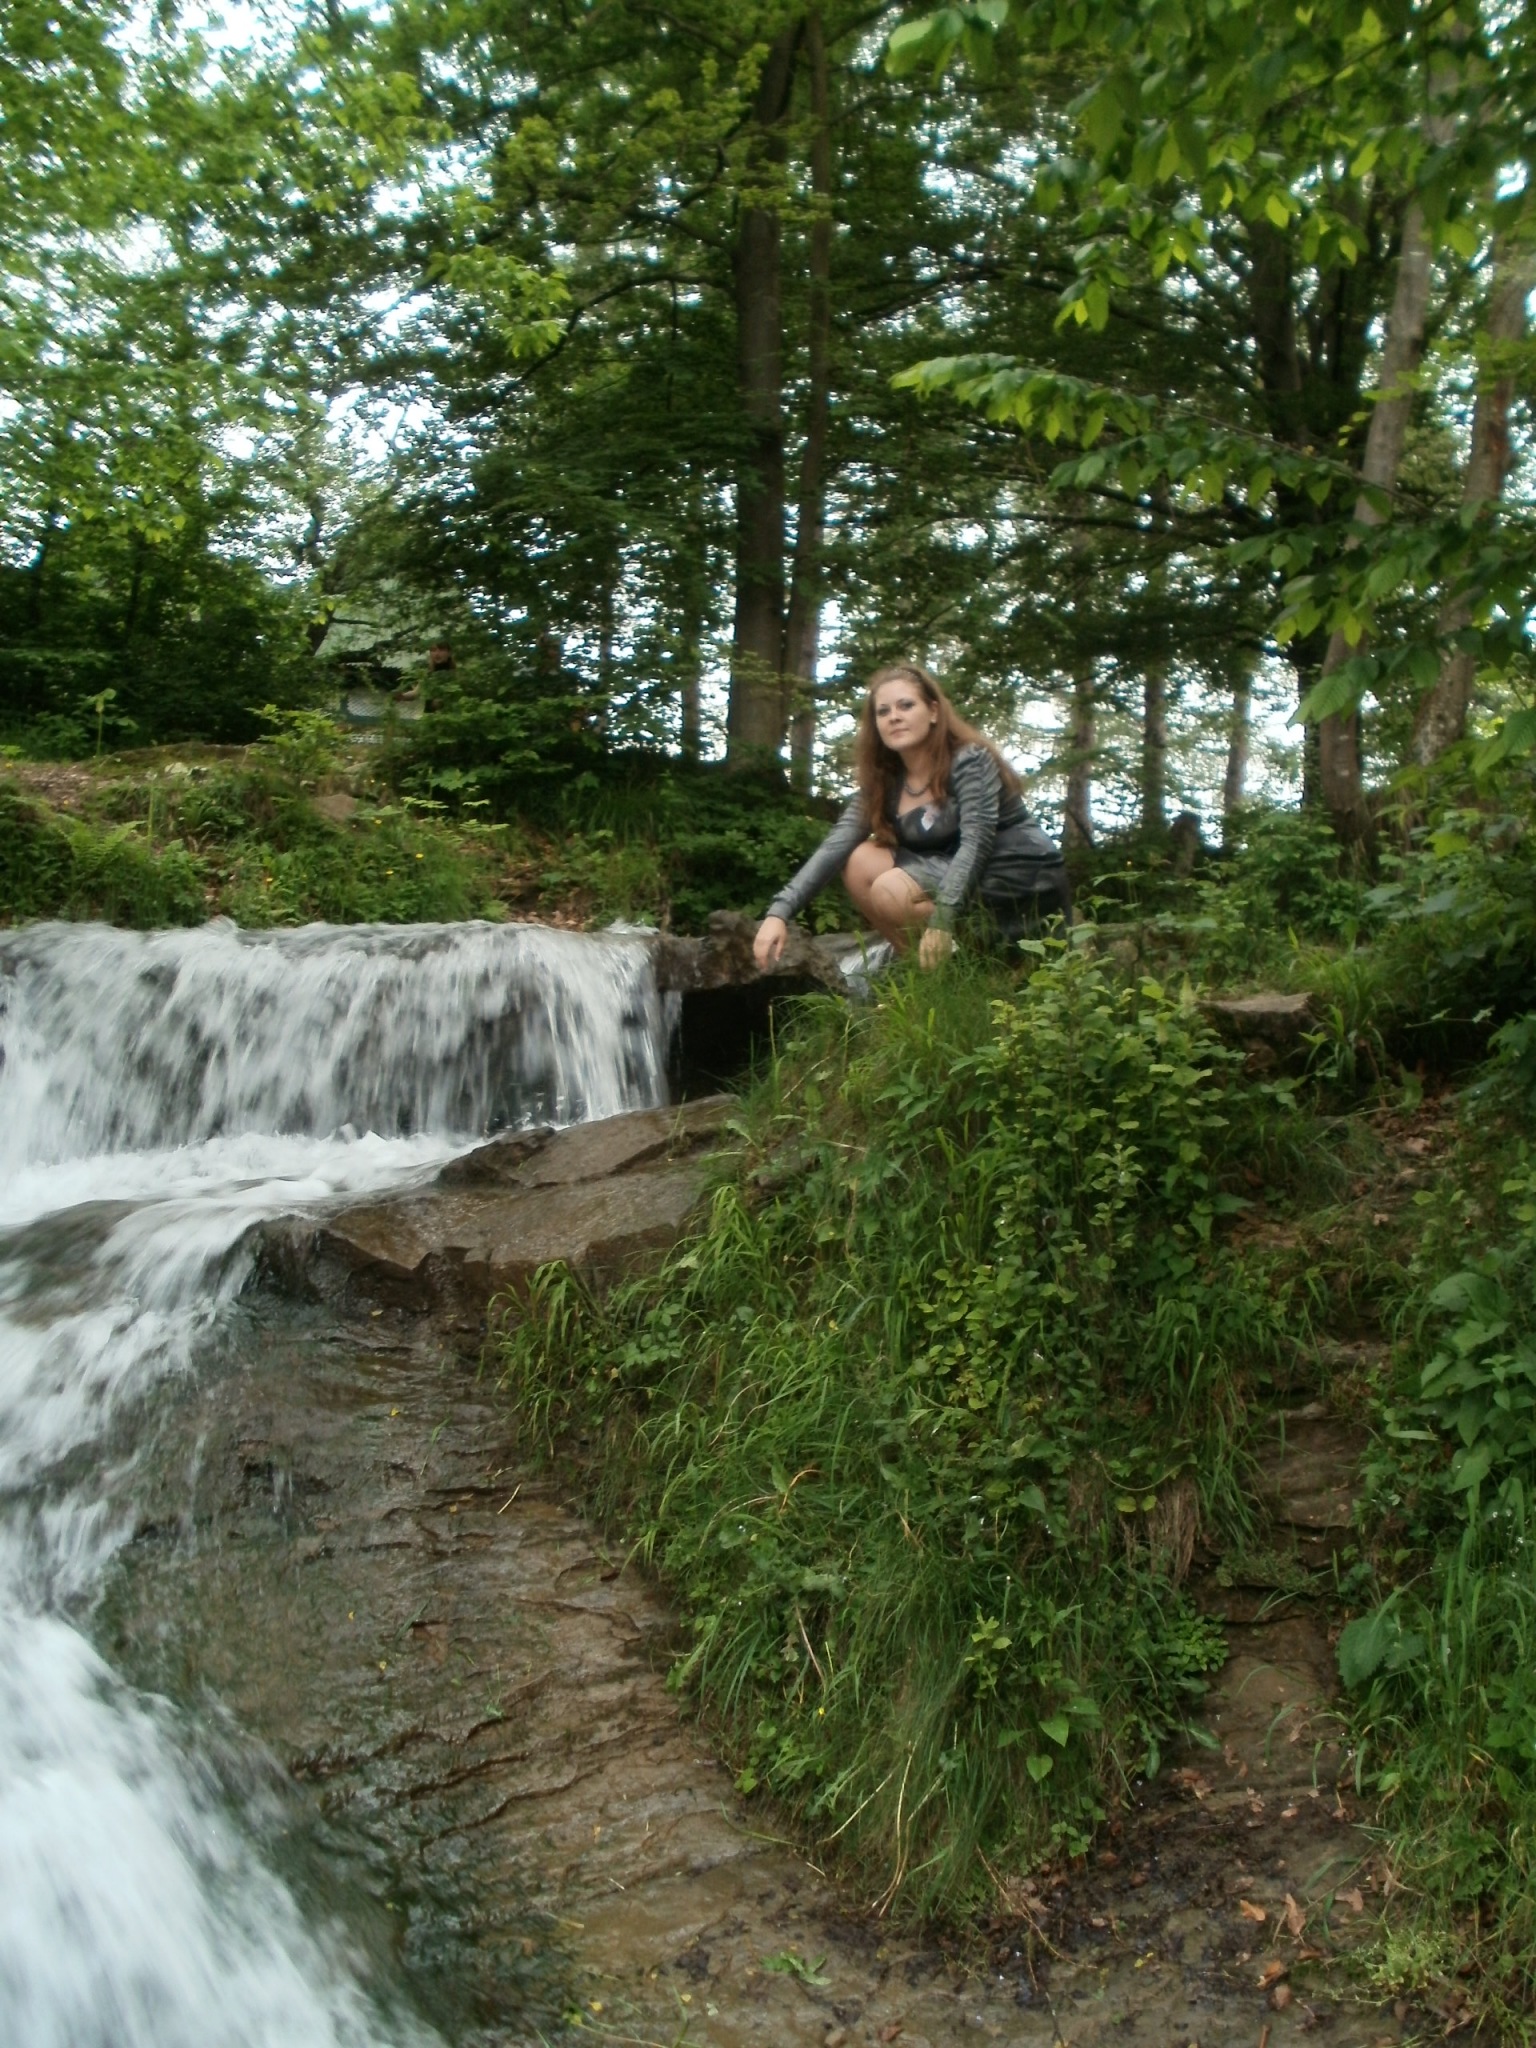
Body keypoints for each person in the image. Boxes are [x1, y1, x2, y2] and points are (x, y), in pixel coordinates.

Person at [753, 661, 1070, 972]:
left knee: (891, 889)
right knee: (859, 860)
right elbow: (835, 846)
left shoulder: (969, 759)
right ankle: (930, 974)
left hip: (1016, 874)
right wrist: (779, 912)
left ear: (933, 712)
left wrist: (942, 920)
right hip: (950, 870)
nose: (894, 717)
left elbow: (977, 842)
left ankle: (983, 964)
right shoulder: (885, 779)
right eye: (883, 711)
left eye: (906, 705)